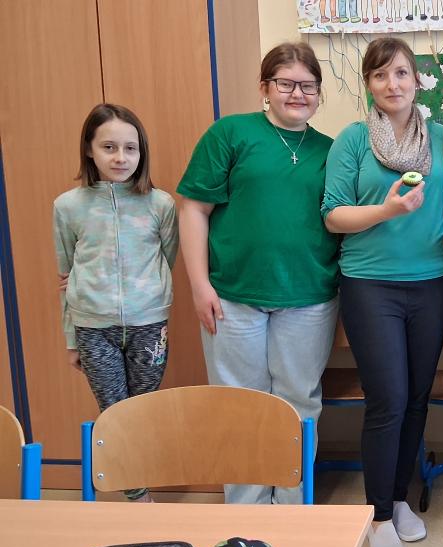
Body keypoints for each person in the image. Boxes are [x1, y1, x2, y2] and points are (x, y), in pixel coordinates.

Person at [177, 42, 339, 505]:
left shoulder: (330, 150)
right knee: (239, 404)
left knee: (299, 402)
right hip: (232, 295)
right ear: (265, 87)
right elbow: (193, 209)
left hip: (309, 296)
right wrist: (199, 285)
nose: (298, 94)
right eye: (286, 83)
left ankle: (291, 506)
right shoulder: (230, 133)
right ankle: (245, 511)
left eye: (308, 85)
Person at [321, 37, 443, 547]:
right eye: (380, 75)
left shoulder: (442, 137)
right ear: (368, 84)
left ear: (417, 80)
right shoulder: (353, 140)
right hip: (369, 285)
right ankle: (377, 516)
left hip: (432, 283)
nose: (392, 84)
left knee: (417, 398)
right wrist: (386, 211)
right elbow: (334, 215)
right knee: (388, 400)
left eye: (400, 73)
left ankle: (399, 499)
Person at [54, 103, 178, 503]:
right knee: (114, 414)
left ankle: (141, 484)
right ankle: (139, 498)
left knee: (139, 413)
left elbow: (167, 259)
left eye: (130, 148)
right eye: (108, 147)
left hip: (149, 327)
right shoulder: (68, 206)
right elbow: (65, 276)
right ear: (89, 150)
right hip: (93, 329)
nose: (120, 157)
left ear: (142, 153)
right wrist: (71, 339)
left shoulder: (160, 204)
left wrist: (150, 298)